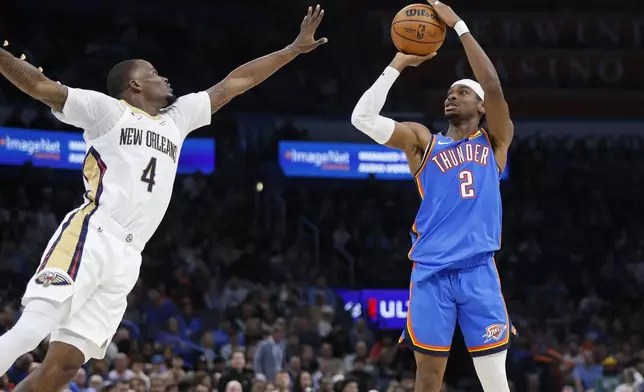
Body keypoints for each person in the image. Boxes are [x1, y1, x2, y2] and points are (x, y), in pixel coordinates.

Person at [0, 5, 327, 392]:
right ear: (134, 85)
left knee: (66, 364)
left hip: (129, 254)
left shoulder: (178, 117)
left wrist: (291, 49)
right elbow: (42, 88)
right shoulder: (108, 111)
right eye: (153, 73)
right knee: (34, 328)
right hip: (94, 233)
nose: (163, 77)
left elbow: (237, 82)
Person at [350, 1, 514, 391]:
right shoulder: (424, 142)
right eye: (449, 92)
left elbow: (492, 84)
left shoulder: (494, 141)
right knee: (426, 379)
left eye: (461, 92)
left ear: (480, 106)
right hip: (430, 273)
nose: (451, 96)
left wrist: (459, 26)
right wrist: (398, 64)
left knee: (494, 380)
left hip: (479, 271)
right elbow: (362, 119)